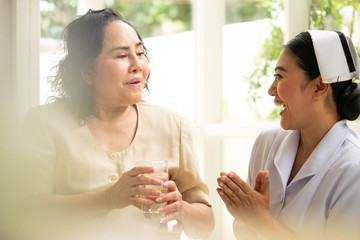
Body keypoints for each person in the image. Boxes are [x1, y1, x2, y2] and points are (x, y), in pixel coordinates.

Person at [18, 8, 214, 240]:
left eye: (140, 53)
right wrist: (109, 198)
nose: (137, 65)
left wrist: (182, 209)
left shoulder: (173, 124)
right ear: (86, 71)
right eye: (121, 56)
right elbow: (25, 215)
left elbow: (205, 226)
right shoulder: (45, 124)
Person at [217, 30, 360, 240]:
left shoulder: (352, 170)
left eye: (279, 76)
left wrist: (260, 219)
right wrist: (245, 216)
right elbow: (244, 231)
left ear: (319, 86)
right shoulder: (267, 142)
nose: (271, 90)